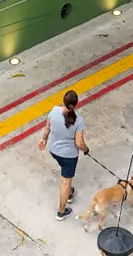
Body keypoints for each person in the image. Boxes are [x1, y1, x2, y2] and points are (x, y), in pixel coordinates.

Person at [38, 89, 89, 220]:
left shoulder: (54, 111)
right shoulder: (78, 121)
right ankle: (61, 212)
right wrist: (86, 150)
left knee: (66, 176)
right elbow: (79, 143)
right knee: (65, 181)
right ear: (76, 104)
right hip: (69, 156)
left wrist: (43, 139)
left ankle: (69, 193)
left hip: (53, 151)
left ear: (63, 101)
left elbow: (47, 128)